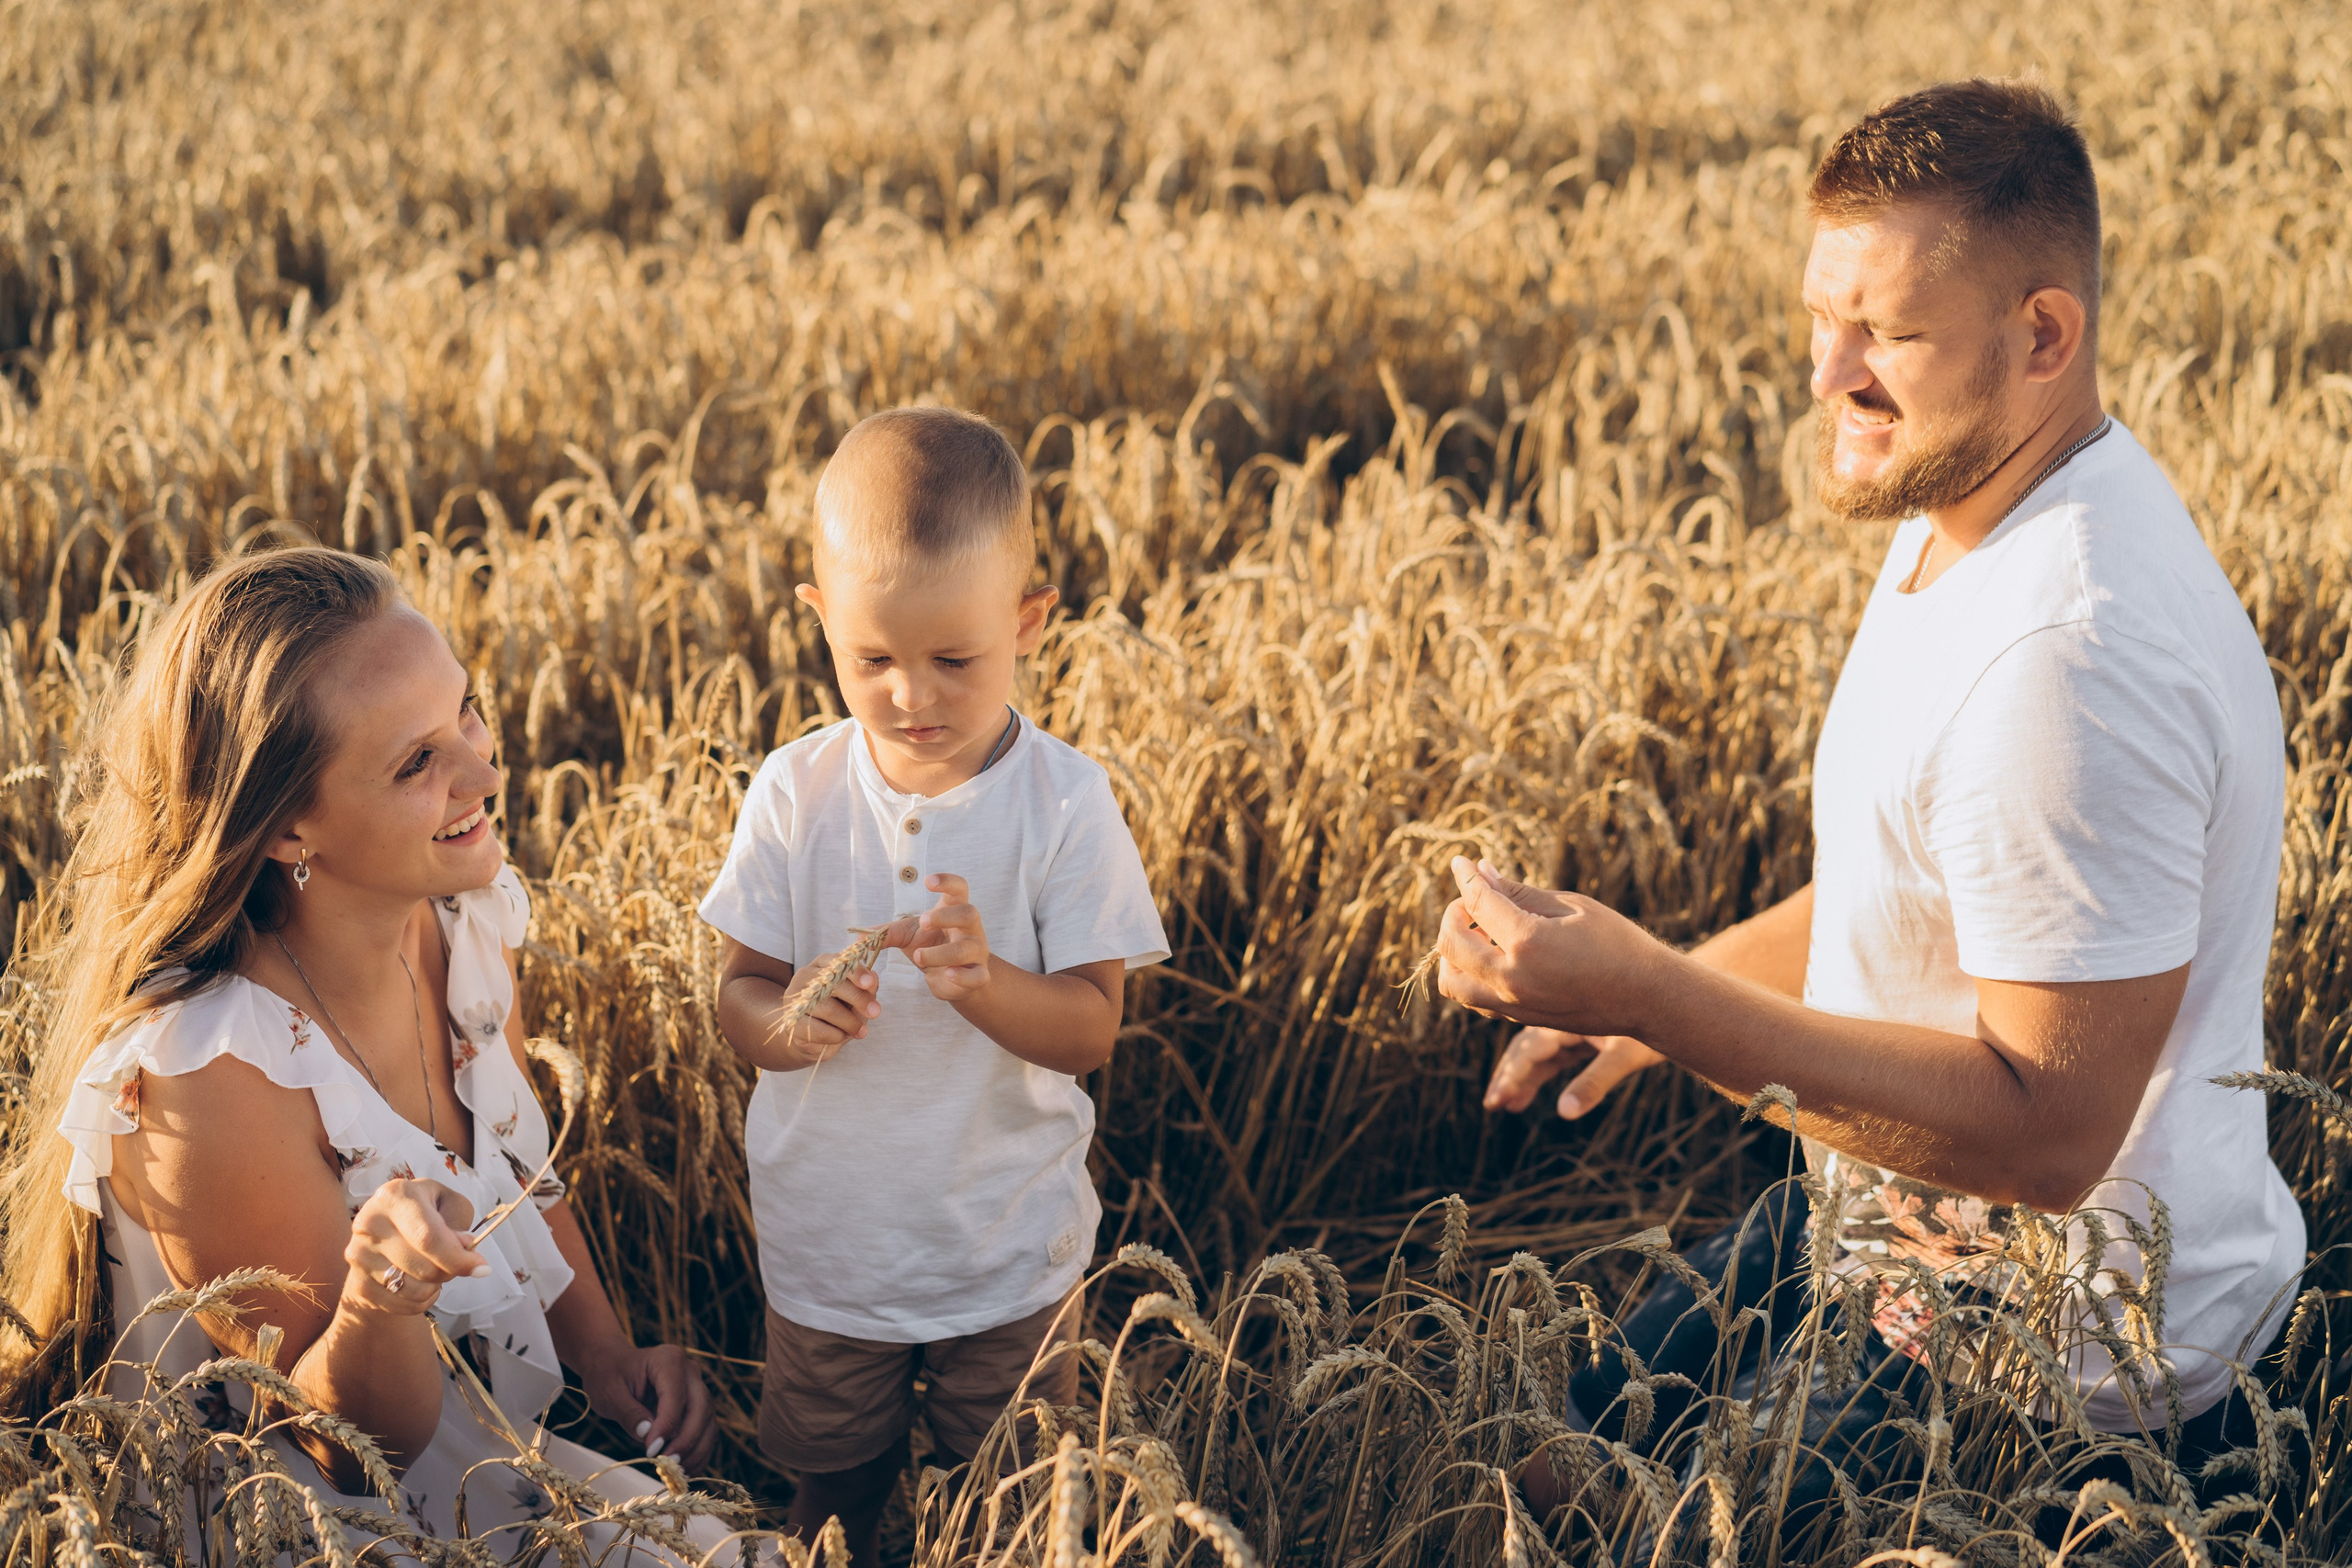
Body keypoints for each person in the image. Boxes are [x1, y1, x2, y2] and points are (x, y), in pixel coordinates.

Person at [1441, 80, 2302, 1522]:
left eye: (1887, 332)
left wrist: (1658, 994)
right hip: (1881, 1222)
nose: (1828, 372)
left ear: (2043, 334)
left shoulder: (2067, 656)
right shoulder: (1964, 499)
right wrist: (1669, 985)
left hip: (2051, 1367)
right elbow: (1919, 891)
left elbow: (2046, 1136)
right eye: (1819, 317)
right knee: (1542, 1484)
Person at [0, 547, 726, 1561]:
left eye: (466, 713)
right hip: (286, 1511)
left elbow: (520, 1164)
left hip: (454, 1439)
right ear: (289, 826)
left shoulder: (462, 923)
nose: (484, 771)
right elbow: (331, 1449)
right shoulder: (202, 1074)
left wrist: (604, 1355)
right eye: (416, 761)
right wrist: (383, 1296)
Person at [702, 406, 1170, 1567]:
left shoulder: (1066, 804)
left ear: (1027, 623)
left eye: (955, 659)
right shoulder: (794, 793)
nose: (913, 694)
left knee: (1011, 1510)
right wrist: (789, 1023)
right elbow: (736, 997)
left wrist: (987, 987)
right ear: (818, 624)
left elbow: (1090, 1030)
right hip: (832, 1253)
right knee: (832, 1501)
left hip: (1007, 1256)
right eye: (872, 660)